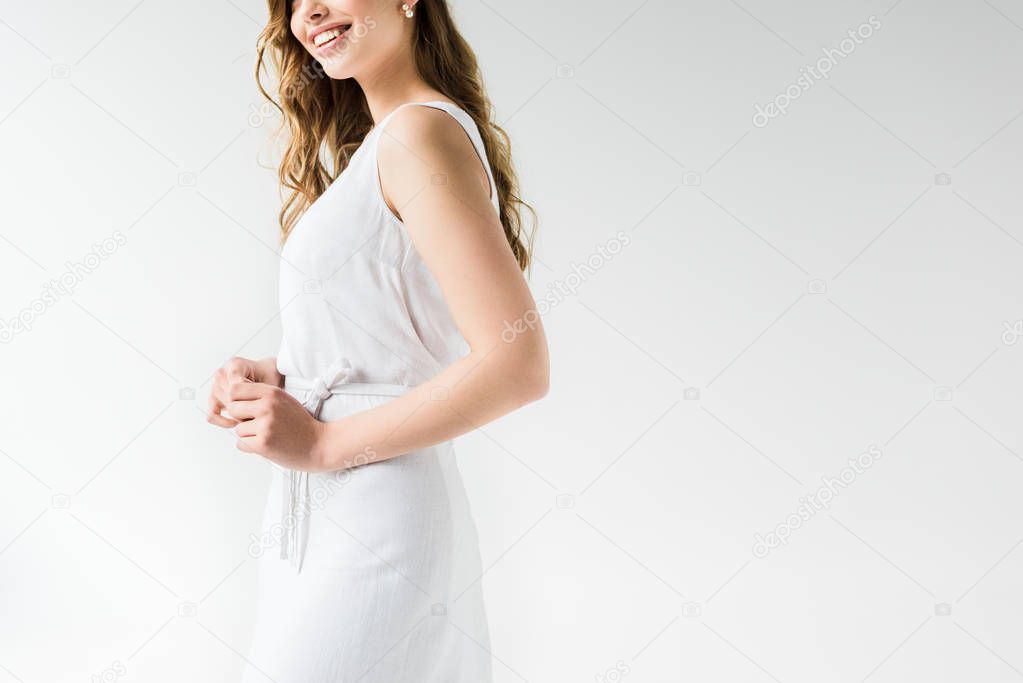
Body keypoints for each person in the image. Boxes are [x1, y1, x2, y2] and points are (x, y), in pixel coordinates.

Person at [205, 1, 549, 680]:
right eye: (296, 2)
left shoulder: (418, 135)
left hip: (372, 515)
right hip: (333, 513)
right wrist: (278, 372)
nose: (312, 13)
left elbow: (517, 362)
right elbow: (394, 342)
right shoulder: (391, 143)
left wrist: (325, 442)